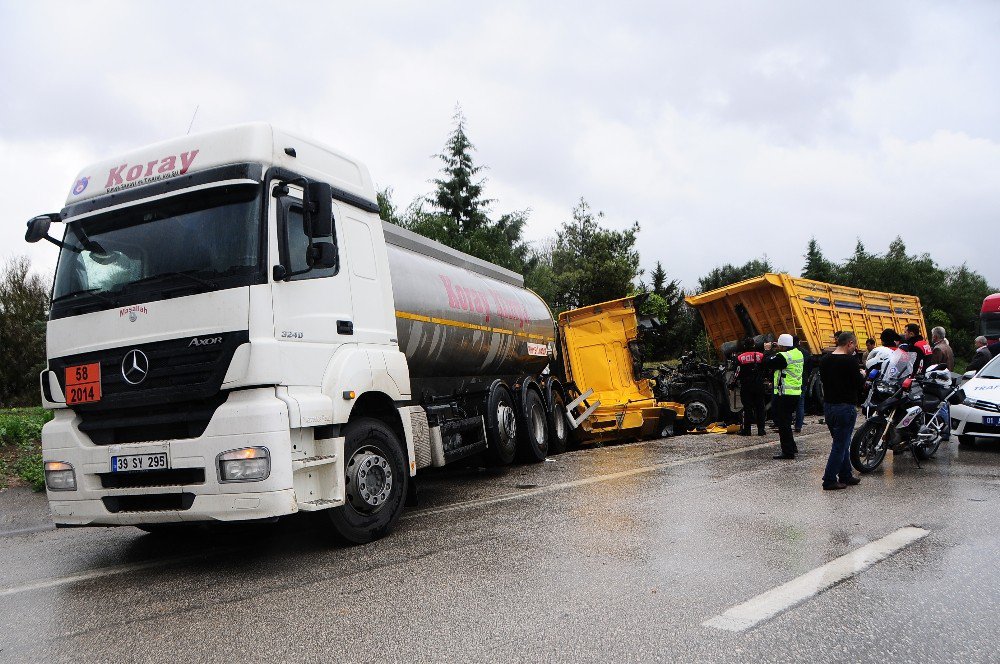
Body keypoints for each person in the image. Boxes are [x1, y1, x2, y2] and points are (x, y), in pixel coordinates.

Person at [819, 331, 865, 490]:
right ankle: (829, 479)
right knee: (840, 444)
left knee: (842, 442)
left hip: (829, 406)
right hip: (845, 407)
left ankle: (846, 474)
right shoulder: (850, 361)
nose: (855, 348)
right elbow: (859, 384)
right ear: (849, 343)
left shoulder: (824, 360)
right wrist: (862, 375)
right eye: (855, 345)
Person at [763, 333, 803, 459]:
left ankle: (788, 452)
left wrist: (768, 350)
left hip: (784, 394)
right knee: (786, 421)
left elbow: (767, 362)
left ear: (783, 346)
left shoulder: (783, 357)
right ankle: (792, 447)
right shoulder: (798, 353)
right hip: (795, 393)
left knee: (783, 423)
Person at [734, 337, 767, 436]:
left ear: (744, 346)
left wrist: (733, 383)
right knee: (760, 407)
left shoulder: (740, 357)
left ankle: (747, 430)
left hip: (746, 386)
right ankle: (761, 430)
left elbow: (737, 372)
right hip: (759, 386)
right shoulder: (761, 356)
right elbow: (766, 368)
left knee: (747, 408)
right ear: (754, 345)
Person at [793, 335, 811, 433]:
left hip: (790, 382)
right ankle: (798, 425)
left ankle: (787, 424)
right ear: (799, 342)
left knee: (789, 404)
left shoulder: (788, 353)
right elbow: (809, 368)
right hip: (802, 380)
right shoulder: (806, 352)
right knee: (800, 403)